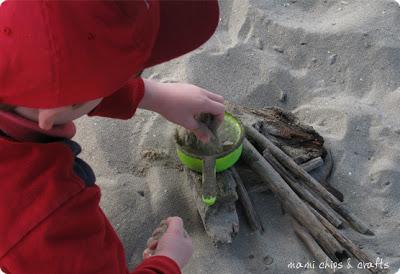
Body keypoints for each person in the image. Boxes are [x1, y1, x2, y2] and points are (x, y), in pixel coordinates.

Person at [0, 1, 222, 273]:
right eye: (129, 73)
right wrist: (167, 260)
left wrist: (155, 96)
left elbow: (60, 83)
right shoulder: (49, 217)